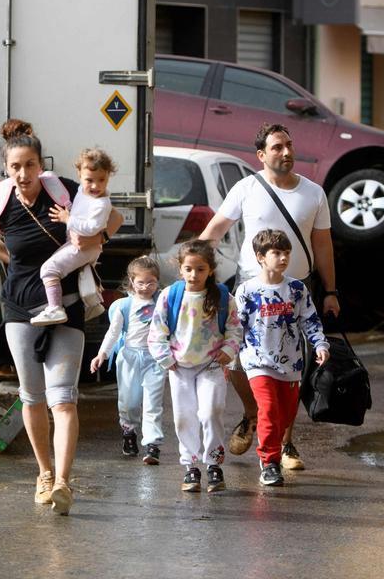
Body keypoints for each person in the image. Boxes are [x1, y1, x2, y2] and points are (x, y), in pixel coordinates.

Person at [0, 119, 123, 515]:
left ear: (41, 165)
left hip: (67, 306)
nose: (23, 174)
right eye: (15, 167)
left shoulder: (65, 192)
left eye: (29, 166)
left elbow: (115, 218)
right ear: (7, 169)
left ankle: (63, 482)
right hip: (20, 310)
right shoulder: (3, 200)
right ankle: (43, 473)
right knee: (32, 396)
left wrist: (97, 241)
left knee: (63, 398)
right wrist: (13, 263)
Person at [198, 122, 340, 471]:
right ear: (261, 155)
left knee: (294, 364)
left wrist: (331, 291)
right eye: (277, 147)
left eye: (289, 145)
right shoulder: (246, 188)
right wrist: (193, 265)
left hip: (298, 289)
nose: (287, 152)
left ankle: (285, 441)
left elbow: (323, 245)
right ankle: (253, 413)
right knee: (236, 359)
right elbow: (216, 229)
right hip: (250, 287)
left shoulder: (314, 193)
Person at [235, 229, 330, 487]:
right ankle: (270, 462)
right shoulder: (247, 290)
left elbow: (309, 320)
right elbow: (236, 326)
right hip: (257, 362)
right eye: (276, 253)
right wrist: (226, 351)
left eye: (286, 253)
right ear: (261, 257)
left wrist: (319, 343)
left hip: (290, 364)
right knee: (268, 410)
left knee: (285, 415)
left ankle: (272, 451)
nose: (283, 258)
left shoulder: (296, 289)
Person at [148, 240, 242, 494]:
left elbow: (235, 328)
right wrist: (166, 359)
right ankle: (191, 466)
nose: (194, 275)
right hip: (180, 368)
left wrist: (228, 351)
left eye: (200, 269)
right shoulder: (170, 295)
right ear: (180, 269)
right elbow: (157, 332)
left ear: (210, 270)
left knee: (211, 412)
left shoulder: (223, 296)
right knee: (183, 417)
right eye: (189, 269)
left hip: (211, 365)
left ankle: (213, 464)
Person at [90, 255, 165, 464]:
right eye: (141, 282)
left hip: (155, 358)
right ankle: (129, 432)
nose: (146, 287)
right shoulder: (124, 305)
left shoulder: (162, 302)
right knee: (129, 402)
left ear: (158, 281)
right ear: (131, 281)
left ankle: (152, 444)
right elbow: (113, 333)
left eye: (151, 282)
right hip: (130, 357)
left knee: (153, 402)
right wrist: (102, 354)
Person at [30, 147, 115, 325]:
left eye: (102, 180)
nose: (95, 186)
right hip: (78, 244)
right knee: (77, 273)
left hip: (86, 246)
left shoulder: (101, 204)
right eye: (89, 180)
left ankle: (55, 308)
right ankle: (91, 304)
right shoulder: (81, 192)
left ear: (108, 176)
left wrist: (68, 219)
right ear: (79, 174)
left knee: (49, 269)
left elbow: (91, 228)